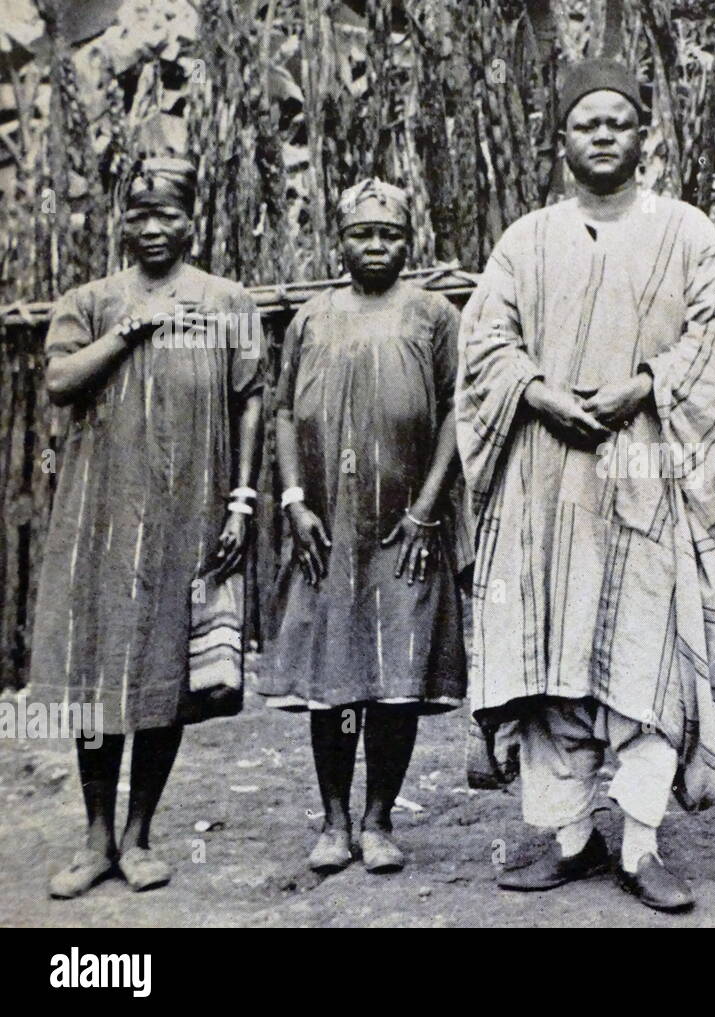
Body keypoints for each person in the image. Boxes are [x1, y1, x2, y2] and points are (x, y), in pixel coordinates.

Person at [456, 59, 715, 913]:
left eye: (617, 122)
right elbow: (484, 343)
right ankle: (567, 837)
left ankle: (639, 842)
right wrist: (537, 391)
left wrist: (645, 383)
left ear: (644, 136)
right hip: (545, 483)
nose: (601, 135)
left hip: (646, 471)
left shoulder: (687, 233)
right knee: (553, 663)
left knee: (648, 656)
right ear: (560, 143)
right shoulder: (526, 240)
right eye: (584, 123)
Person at [30, 156, 264, 898]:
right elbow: (61, 380)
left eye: (168, 214)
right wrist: (132, 328)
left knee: (165, 671)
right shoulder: (91, 301)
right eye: (140, 215)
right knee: (98, 671)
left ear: (193, 221)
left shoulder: (227, 301)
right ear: (122, 223)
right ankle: (95, 835)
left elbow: (250, 398)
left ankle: (139, 835)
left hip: (184, 515)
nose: (154, 228)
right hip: (99, 516)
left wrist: (240, 501)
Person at [258, 179, 467, 875]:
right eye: (362, 232)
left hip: (405, 526)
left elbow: (455, 414)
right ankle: (334, 819)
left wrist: (424, 509)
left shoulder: (434, 314)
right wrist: (293, 500)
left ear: (411, 241)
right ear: (338, 240)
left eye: (390, 233)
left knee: (397, 672)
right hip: (329, 527)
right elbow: (284, 410)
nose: (376, 245)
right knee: (334, 673)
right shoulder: (311, 317)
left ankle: (379, 818)